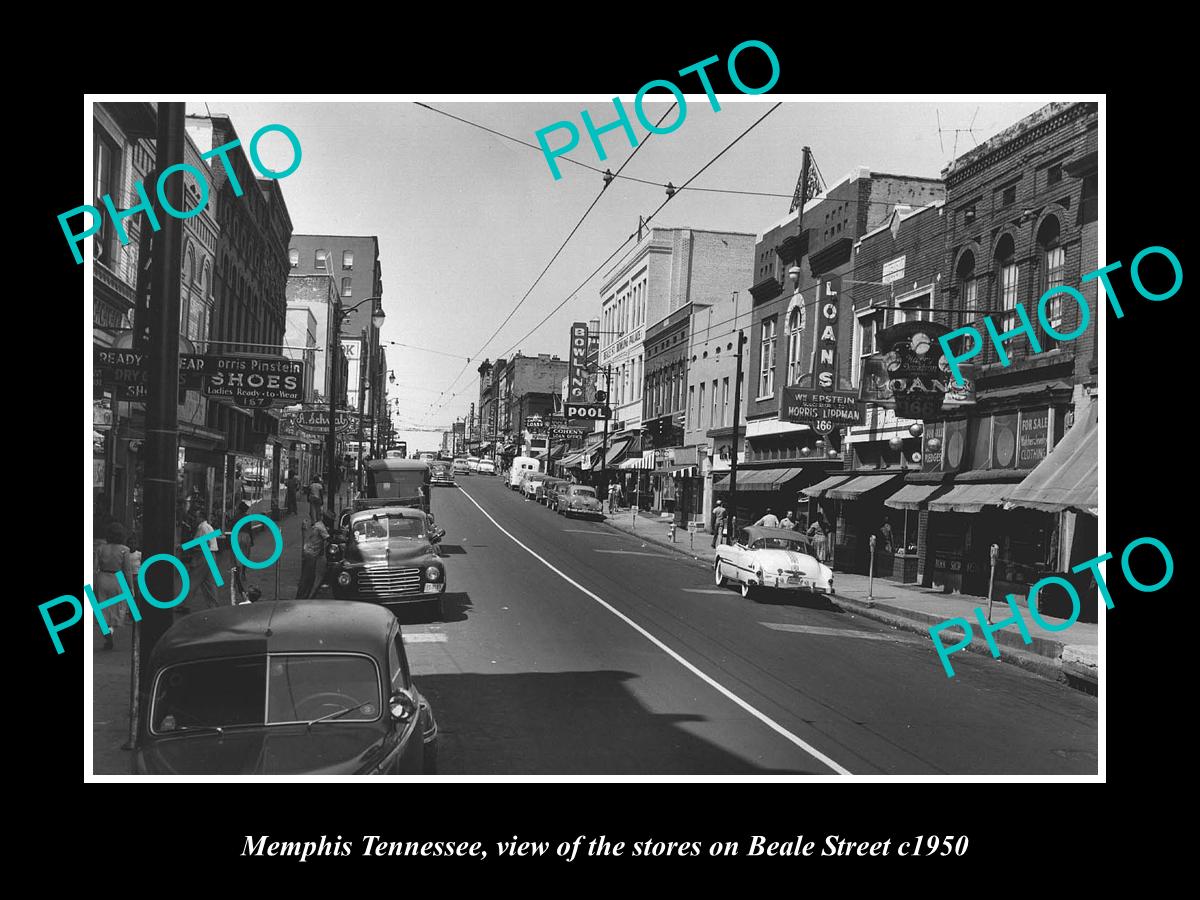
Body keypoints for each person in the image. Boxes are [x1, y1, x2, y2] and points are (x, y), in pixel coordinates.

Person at [93, 522, 136, 650]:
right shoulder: (125, 550)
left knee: (102, 608)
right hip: (118, 579)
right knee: (117, 607)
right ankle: (111, 629)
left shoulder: (101, 548)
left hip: (102, 578)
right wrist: (131, 588)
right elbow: (127, 571)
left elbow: (95, 567)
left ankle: (106, 633)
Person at [187, 509, 222, 610]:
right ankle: (214, 605)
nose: (195, 518)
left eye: (197, 516)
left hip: (204, 555)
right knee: (210, 583)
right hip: (211, 555)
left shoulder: (202, 527)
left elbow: (204, 543)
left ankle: (184, 604)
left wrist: (185, 547)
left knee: (193, 579)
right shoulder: (208, 527)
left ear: (201, 517)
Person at [298, 513, 331, 599]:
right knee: (308, 577)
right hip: (311, 554)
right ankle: (303, 596)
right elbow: (328, 538)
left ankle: (303, 595)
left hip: (308, 552)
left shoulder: (318, 525)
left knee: (307, 576)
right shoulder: (321, 527)